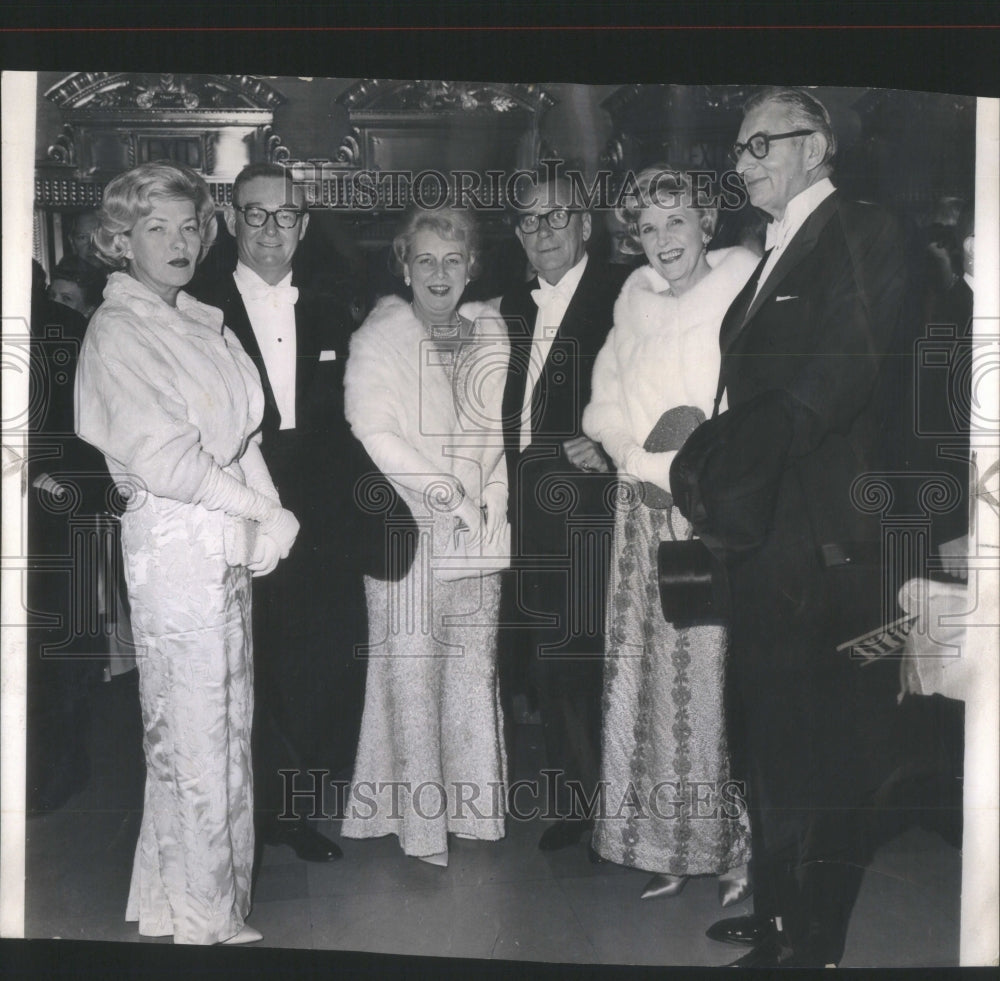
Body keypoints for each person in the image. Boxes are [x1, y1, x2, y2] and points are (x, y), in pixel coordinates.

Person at [671, 87, 908, 967]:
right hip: (767, 534)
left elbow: (831, 382)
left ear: (817, 146)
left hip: (829, 539)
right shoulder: (766, 252)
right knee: (766, 728)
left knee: (827, 747)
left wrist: (705, 466)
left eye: (758, 145)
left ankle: (815, 939)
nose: (742, 164)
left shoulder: (864, 233)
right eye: (739, 149)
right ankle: (776, 913)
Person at [75, 160, 299, 945]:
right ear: (119, 239)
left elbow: (244, 431)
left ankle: (181, 902)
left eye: (188, 226)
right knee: (190, 732)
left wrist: (270, 515)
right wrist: (260, 512)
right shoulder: (118, 330)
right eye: (155, 228)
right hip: (173, 544)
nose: (177, 242)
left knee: (222, 726)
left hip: (222, 538)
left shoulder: (202, 319)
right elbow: (171, 462)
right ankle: (206, 920)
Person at [582, 167, 757, 901]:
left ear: (706, 223)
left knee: (718, 681)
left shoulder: (743, 291)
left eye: (675, 222)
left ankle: (740, 847)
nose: (662, 241)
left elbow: (754, 411)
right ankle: (670, 842)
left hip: (715, 514)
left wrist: (685, 467)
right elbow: (605, 407)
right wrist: (636, 458)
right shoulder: (634, 305)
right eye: (647, 229)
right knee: (647, 683)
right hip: (642, 516)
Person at [191, 162, 368, 867]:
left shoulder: (330, 302)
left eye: (286, 215)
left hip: (317, 504)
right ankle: (267, 811)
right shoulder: (197, 307)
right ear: (231, 220)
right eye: (255, 214)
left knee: (317, 657)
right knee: (251, 655)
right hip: (237, 496)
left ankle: (293, 802)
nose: (271, 229)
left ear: (304, 224)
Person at [340, 206, 508, 866]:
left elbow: (502, 432)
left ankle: (474, 813)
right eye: (426, 259)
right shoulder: (379, 336)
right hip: (409, 531)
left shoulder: (492, 333)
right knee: (411, 677)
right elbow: (372, 431)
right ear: (404, 266)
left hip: (478, 536)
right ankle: (419, 827)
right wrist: (450, 495)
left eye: (453, 259)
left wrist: (490, 494)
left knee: (471, 675)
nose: (440, 272)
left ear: (473, 266)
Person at [498, 171, 628, 852]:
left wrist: (612, 446)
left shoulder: (624, 292)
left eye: (556, 218)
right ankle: (579, 801)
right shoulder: (510, 305)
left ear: (586, 224)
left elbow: (662, 380)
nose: (542, 232)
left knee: (599, 653)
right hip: (525, 501)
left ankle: (629, 806)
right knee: (552, 658)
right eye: (528, 221)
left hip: (590, 502)